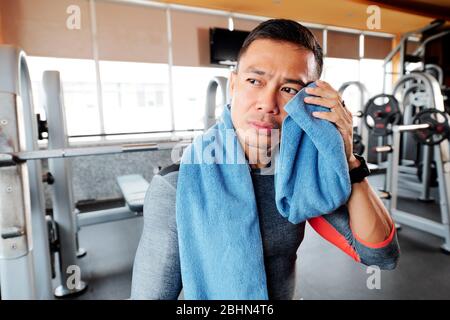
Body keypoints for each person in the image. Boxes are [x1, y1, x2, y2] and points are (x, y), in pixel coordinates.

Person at [130, 19, 400, 300]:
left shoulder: (301, 173)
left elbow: (381, 256)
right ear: (234, 84)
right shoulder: (175, 187)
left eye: (289, 90)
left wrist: (349, 160)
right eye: (254, 81)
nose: (268, 104)